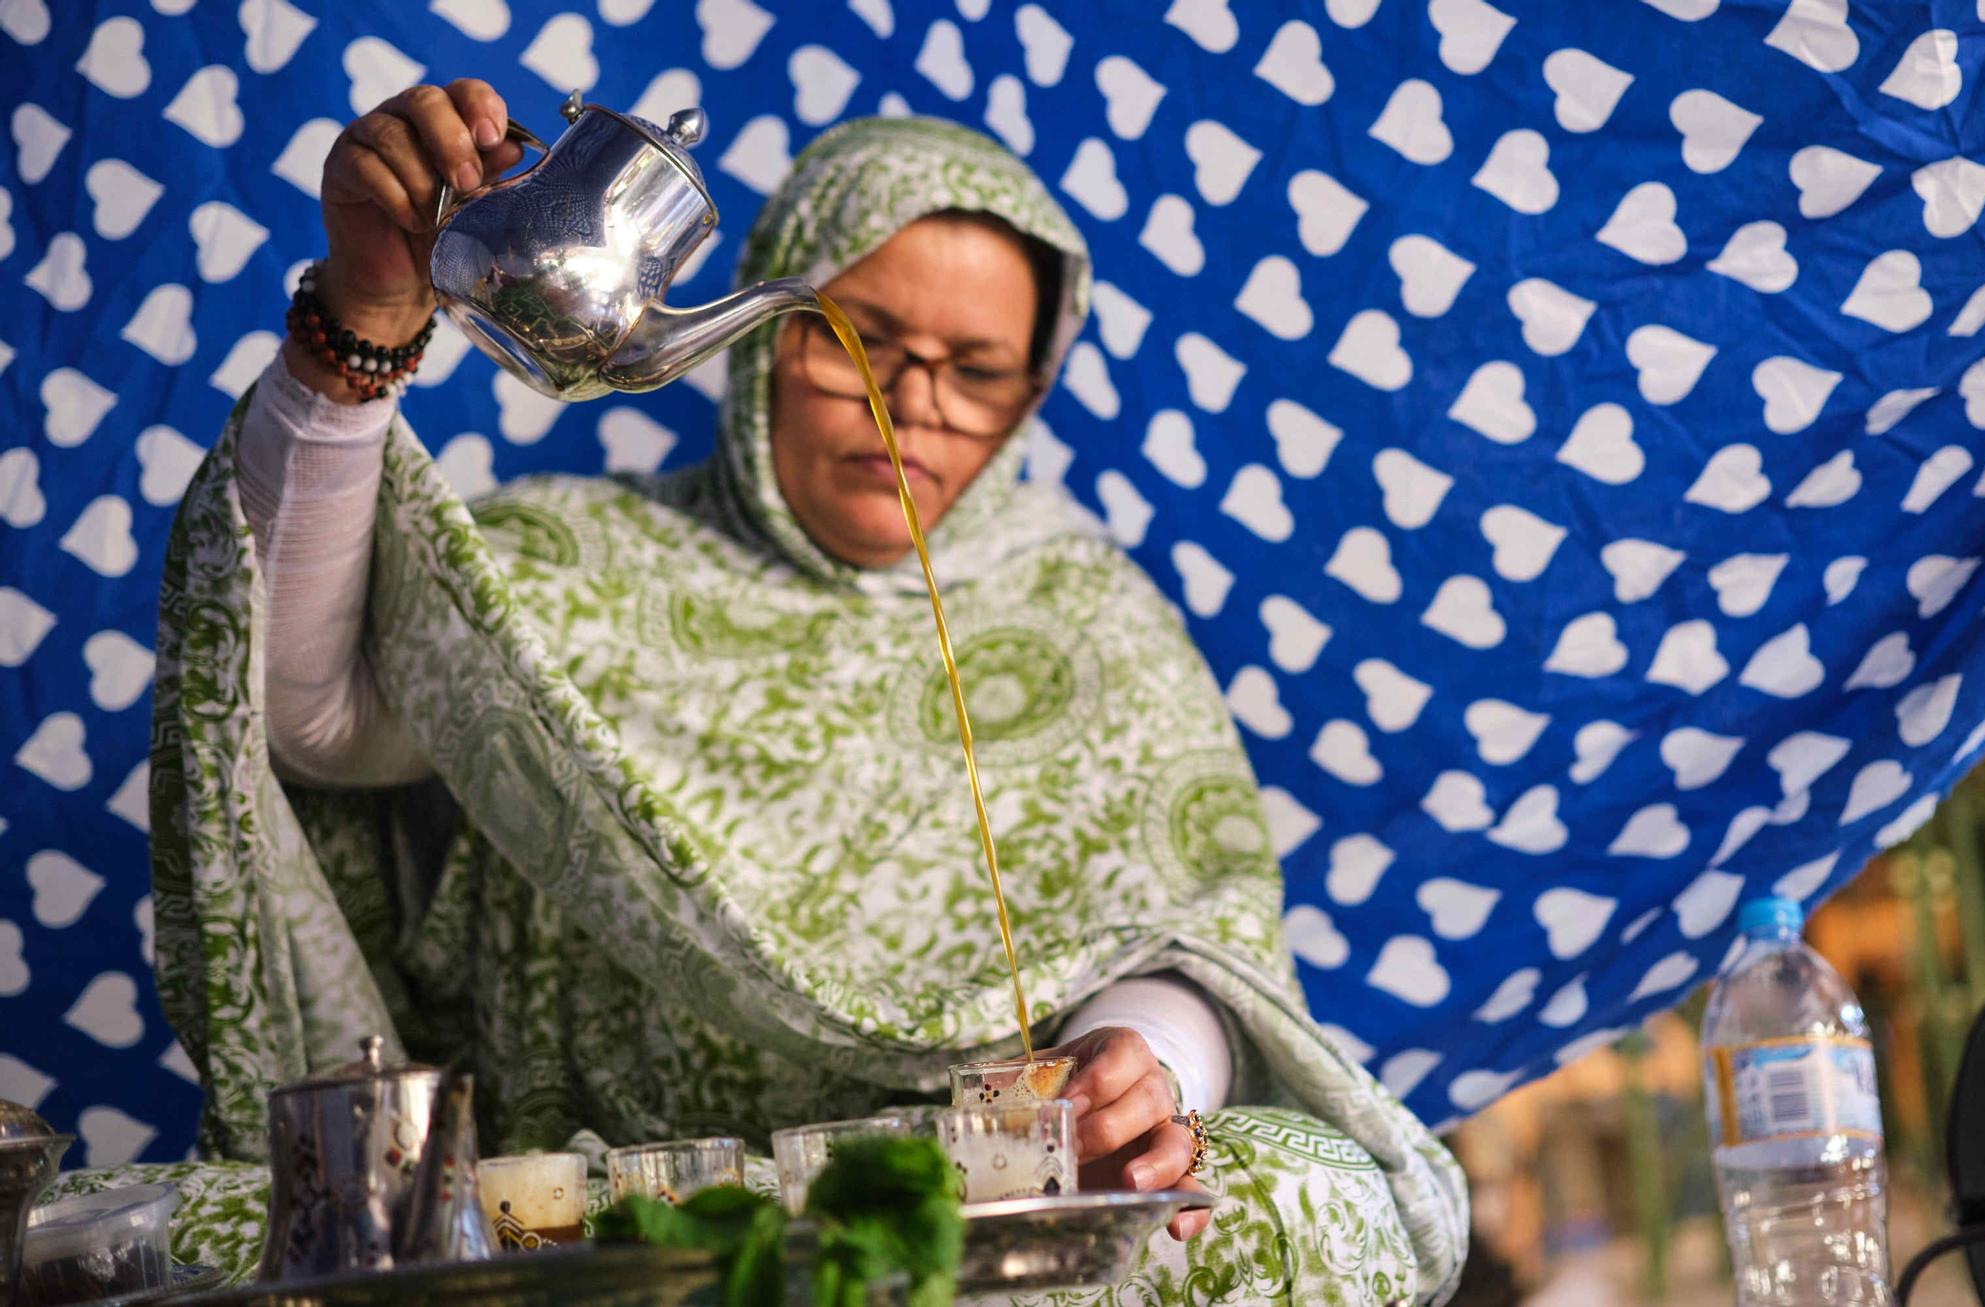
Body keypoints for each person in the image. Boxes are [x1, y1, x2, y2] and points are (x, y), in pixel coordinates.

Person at [104, 80, 1467, 1301]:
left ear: (1034, 388)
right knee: (192, 1233)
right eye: (858, 338)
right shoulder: (567, 559)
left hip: (968, 1209)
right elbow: (304, 718)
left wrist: (1140, 1066)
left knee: (1299, 1193)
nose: (915, 401)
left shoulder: (1084, 611)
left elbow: (1189, 940)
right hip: (601, 1214)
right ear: (757, 335)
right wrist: (366, 318)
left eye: (978, 371)